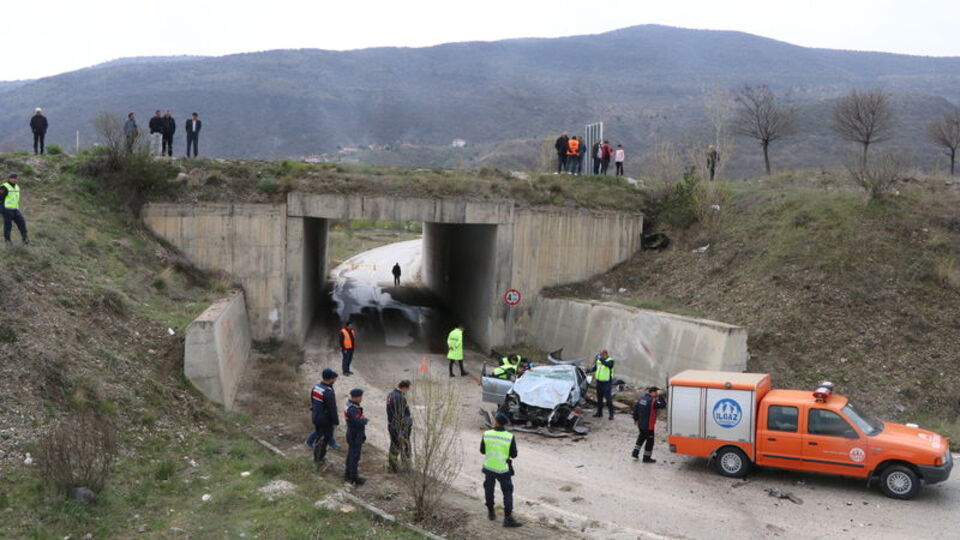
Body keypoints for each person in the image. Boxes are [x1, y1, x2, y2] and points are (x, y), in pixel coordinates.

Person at [481, 413, 522, 527]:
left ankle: (491, 513)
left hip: (489, 467)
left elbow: (482, 450)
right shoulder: (509, 436)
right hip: (503, 469)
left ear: (496, 421)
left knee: (489, 490)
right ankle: (508, 518)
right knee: (507, 492)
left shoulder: (487, 434)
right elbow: (514, 454)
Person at [309, 368, 339, 467]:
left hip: (316, 416)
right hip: (325, 420)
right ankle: (319, 459)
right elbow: (332, 408)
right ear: (330, 379)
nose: (335, 380)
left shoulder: (316, 387)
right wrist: (335, 421)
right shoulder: (328, 392)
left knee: (318, 437)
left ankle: (317, 457)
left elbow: (313, 402)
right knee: (323, 440)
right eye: (334, 378)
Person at [632, 386, 667, 463]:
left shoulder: (641, 399)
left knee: (641, 437)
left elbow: (635, 409)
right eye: (656, 392)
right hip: (648, 425)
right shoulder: (652, 401)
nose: (657, 394)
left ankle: (635, 453)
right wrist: (661, 396)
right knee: (650, 441)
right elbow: (662, 405)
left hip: (641, 424)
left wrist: (635, 419)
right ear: (653, 392)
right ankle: (646, 458)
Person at [386, 380, 412, 473]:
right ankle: (406, 468)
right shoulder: (400, 398)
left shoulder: (391, 394)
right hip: (399, 427)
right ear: (405, 387)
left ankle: (392, 467)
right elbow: (399, 415)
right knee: (405, 446)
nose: (407, 391)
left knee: (394, 446)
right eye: (408, 389)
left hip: (392, 425)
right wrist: (402, 430)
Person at [344, 388, 368, 485]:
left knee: (351, 455)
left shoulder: (349, 405)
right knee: (354, 457)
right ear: (357, 397)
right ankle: (353, 478)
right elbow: (357, 422)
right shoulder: (353, 409)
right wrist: (364, 420)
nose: (362, 398)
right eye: (361, 396)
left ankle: (348, 475)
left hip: (352, 433)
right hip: (355, 435)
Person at [1, 173, 29, 246]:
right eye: (13, 178)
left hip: (15, 209)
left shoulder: (17, 187)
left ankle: (25, 240)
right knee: (8, 226)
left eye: (16, 178)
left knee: (22, 223)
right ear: (9, 178)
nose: (15, 179)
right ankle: (8, 242)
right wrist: (2, 209)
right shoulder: (4, 187)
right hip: (7, 210)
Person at [587, 349, 615, 419]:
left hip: (607, 383)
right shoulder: (599, 360)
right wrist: (588, 370)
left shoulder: (610, 361)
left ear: (605, 354)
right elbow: (595, 368)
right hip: (599, 382)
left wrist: (600, 358)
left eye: (602, 354)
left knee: (608, 399)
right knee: (599, 398)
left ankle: (611, 415)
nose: (601, 356)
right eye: (600, 354)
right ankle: (599, 413)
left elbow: (607, 364)